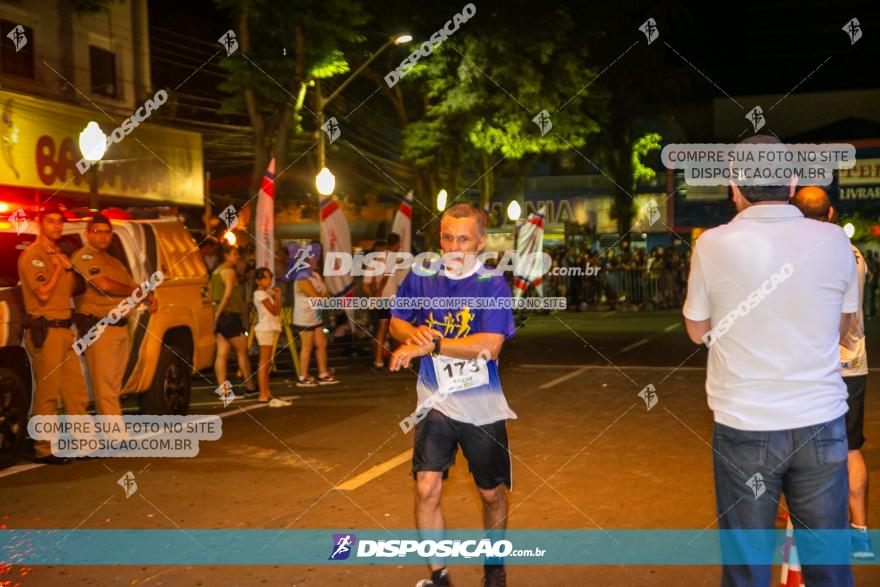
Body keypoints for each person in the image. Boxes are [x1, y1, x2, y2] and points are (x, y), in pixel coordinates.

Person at [683, 136, 855, 586]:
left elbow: (698, 331)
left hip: (745, 425)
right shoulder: (834, 240)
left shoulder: (712, 244)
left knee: (747, 568)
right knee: (829, 568)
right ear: (793, 181)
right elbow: (844, 327)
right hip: (820, 423)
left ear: (734, 186)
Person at [389, 203, 515, 587]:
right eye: (447, 237)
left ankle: (494, 567)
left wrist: (434, 344)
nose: (453, 247)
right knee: (427, 486)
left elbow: (490, 346)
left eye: (463, 238)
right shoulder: (422, 274)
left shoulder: (492, 284)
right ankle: (439, 577)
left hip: (480, 405)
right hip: (434, 401)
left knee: (490, 493)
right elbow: (397, 322)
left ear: (480, 241)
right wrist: (412, 337)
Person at [792, 186, 874, 559]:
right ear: (831, 213)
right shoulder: (854, 253)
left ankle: (815, 529)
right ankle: (859, 533)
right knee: (850, 448)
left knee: (805, 449)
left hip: (816, 365)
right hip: (853, 364)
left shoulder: (805, 255)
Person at [18, 203, 89, 465]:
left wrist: (66, 267)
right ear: (40, 224)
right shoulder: (32, 256)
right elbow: (44, 293)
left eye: (60, 221)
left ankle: (83, 444)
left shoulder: (58, 255)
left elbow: (69, 292)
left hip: (64, 330)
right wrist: (60, 267)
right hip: (45, 332)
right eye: (51, 221)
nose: (57, 225)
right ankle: (44, 448)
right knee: (48, 393)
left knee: (75, 391)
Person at [71, 213, 157, 416]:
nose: (103, 236)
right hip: (100, 328)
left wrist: (148, 296)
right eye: (97, 232)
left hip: (119, 328)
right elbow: (103, 285)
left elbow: (131, 285)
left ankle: (113, 433)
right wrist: (136, 292)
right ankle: (114, 436)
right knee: (106, 387)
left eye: (107, 232)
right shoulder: (84, 257)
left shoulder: (114, 261)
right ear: (88, 234)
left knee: (114, 387)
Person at [211, 244, 256, 395]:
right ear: (226, 255)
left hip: (219, 315)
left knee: (221, 353)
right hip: (228, 315)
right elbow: (228, 295)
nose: (237, 256)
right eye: (234, 253)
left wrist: (215, 316)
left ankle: (224, 391)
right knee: (242, 351)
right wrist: (218, 314)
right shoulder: (229, 271)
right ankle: (250, 386)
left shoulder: (216, 272)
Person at [293, 247, 339, 386]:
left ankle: (323, 373)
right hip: (305, 317)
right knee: (307, 347)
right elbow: (317, 297)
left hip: (316, 316)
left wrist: (323, 296)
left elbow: (326, 292)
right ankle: (303, 376)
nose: (316, 260)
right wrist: (323, 296)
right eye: (313, 258)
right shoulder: (302, 278)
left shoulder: (315, 276)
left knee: (321, 344)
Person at [252, 267, 290, 407]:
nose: (268, 280)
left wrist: (276, 296)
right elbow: (274, 311)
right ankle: (263, 393)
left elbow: (277, 310)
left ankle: (266, 391)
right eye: (265, 278)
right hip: (265, 329)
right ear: (258, 280)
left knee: (266, 363)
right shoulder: (259, 293)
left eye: (269, 277)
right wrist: (277, 297)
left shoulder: (265, 293)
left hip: (269, 329)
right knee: (264, 363)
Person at [364, 234, 401, 371]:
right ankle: (395, 360)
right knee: (392, 328)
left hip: (380, 300)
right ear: (397, 244)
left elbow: (367, 284)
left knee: (381, 329)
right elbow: (385, 277)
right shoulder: (391, 257)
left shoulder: (375, 258)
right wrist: (379, 292)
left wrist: (374, 296)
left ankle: (379, 360)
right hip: (389, 299)